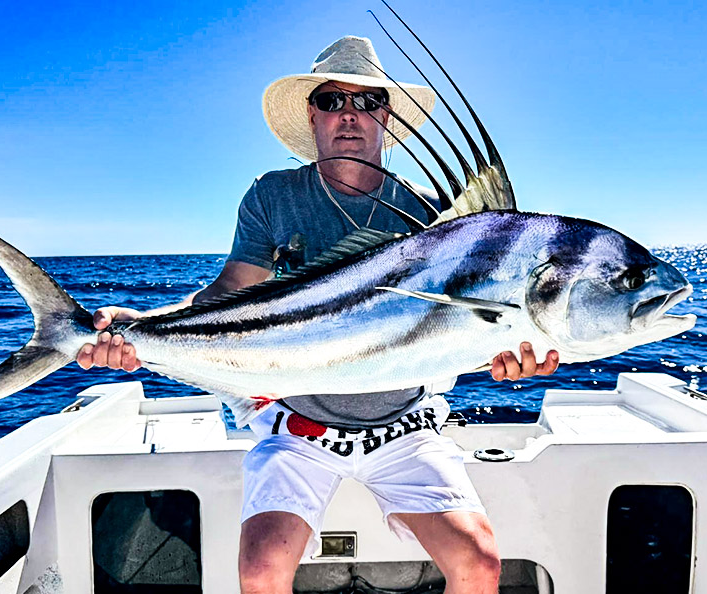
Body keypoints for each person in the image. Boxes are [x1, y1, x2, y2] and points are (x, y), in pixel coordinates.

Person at [77, 36, 559, 594]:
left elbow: (463, 327)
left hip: (407, 426)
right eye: (332, 100)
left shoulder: (433, 215)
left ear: (387, 116)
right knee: (261, 571)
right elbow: (230, 293)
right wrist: (137, 326)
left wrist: (507, 356)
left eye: (367, 101)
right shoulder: (272, 196)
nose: (349, 115)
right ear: (312, 115)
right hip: (296, 428)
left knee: (479, 564)